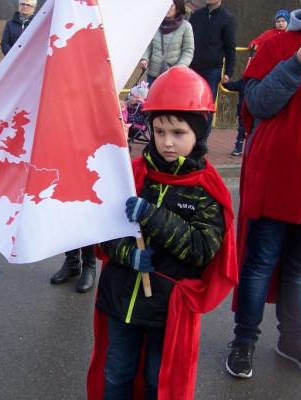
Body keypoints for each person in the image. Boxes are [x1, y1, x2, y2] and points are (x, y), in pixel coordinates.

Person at [86, 66, 237, 400]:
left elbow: (202, 248)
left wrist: (152, 216)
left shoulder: (206, 190)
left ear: (199, 132)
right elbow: (105, 236)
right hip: (121, 299)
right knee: (116, 374)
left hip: (166, 309)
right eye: (159, 130)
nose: (167, 142)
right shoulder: (133, 175)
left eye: (178, 132)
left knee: (157, 381)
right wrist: (128, 254)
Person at [226, 0, 301, 380]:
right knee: (260, 262)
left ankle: (292, 339)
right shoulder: (277, 43)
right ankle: (244, 341)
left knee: (299, 265)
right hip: (274, 176)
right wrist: (296, 65)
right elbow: (256, 104)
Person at [189, 0, 236, 137]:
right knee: (191, 103)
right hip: (193, 67)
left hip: (213, 69)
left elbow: (230, 48)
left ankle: (203, 138)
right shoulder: (196, 15)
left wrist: (228, 72)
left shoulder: (227, 18)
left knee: (207, 105)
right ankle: (190, 134)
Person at [138, 0, 194, 86]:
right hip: (153, 73)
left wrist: (180, 67)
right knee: (152, 98)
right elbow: (148, 44)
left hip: (173, 75)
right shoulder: (155, 23)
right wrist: (144, 58)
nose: (167, 9)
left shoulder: (186, 26)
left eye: (171, 6)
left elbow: (188, 50)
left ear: (178, 8)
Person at [222, 78, 245, 156]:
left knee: (252, 132)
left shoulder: (260, 81)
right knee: (241, 130)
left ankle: (245, 149)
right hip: (243, 111)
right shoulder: (243, 81)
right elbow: (233, 86)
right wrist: (225, 83)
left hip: (254, 112)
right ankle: (238, 148)